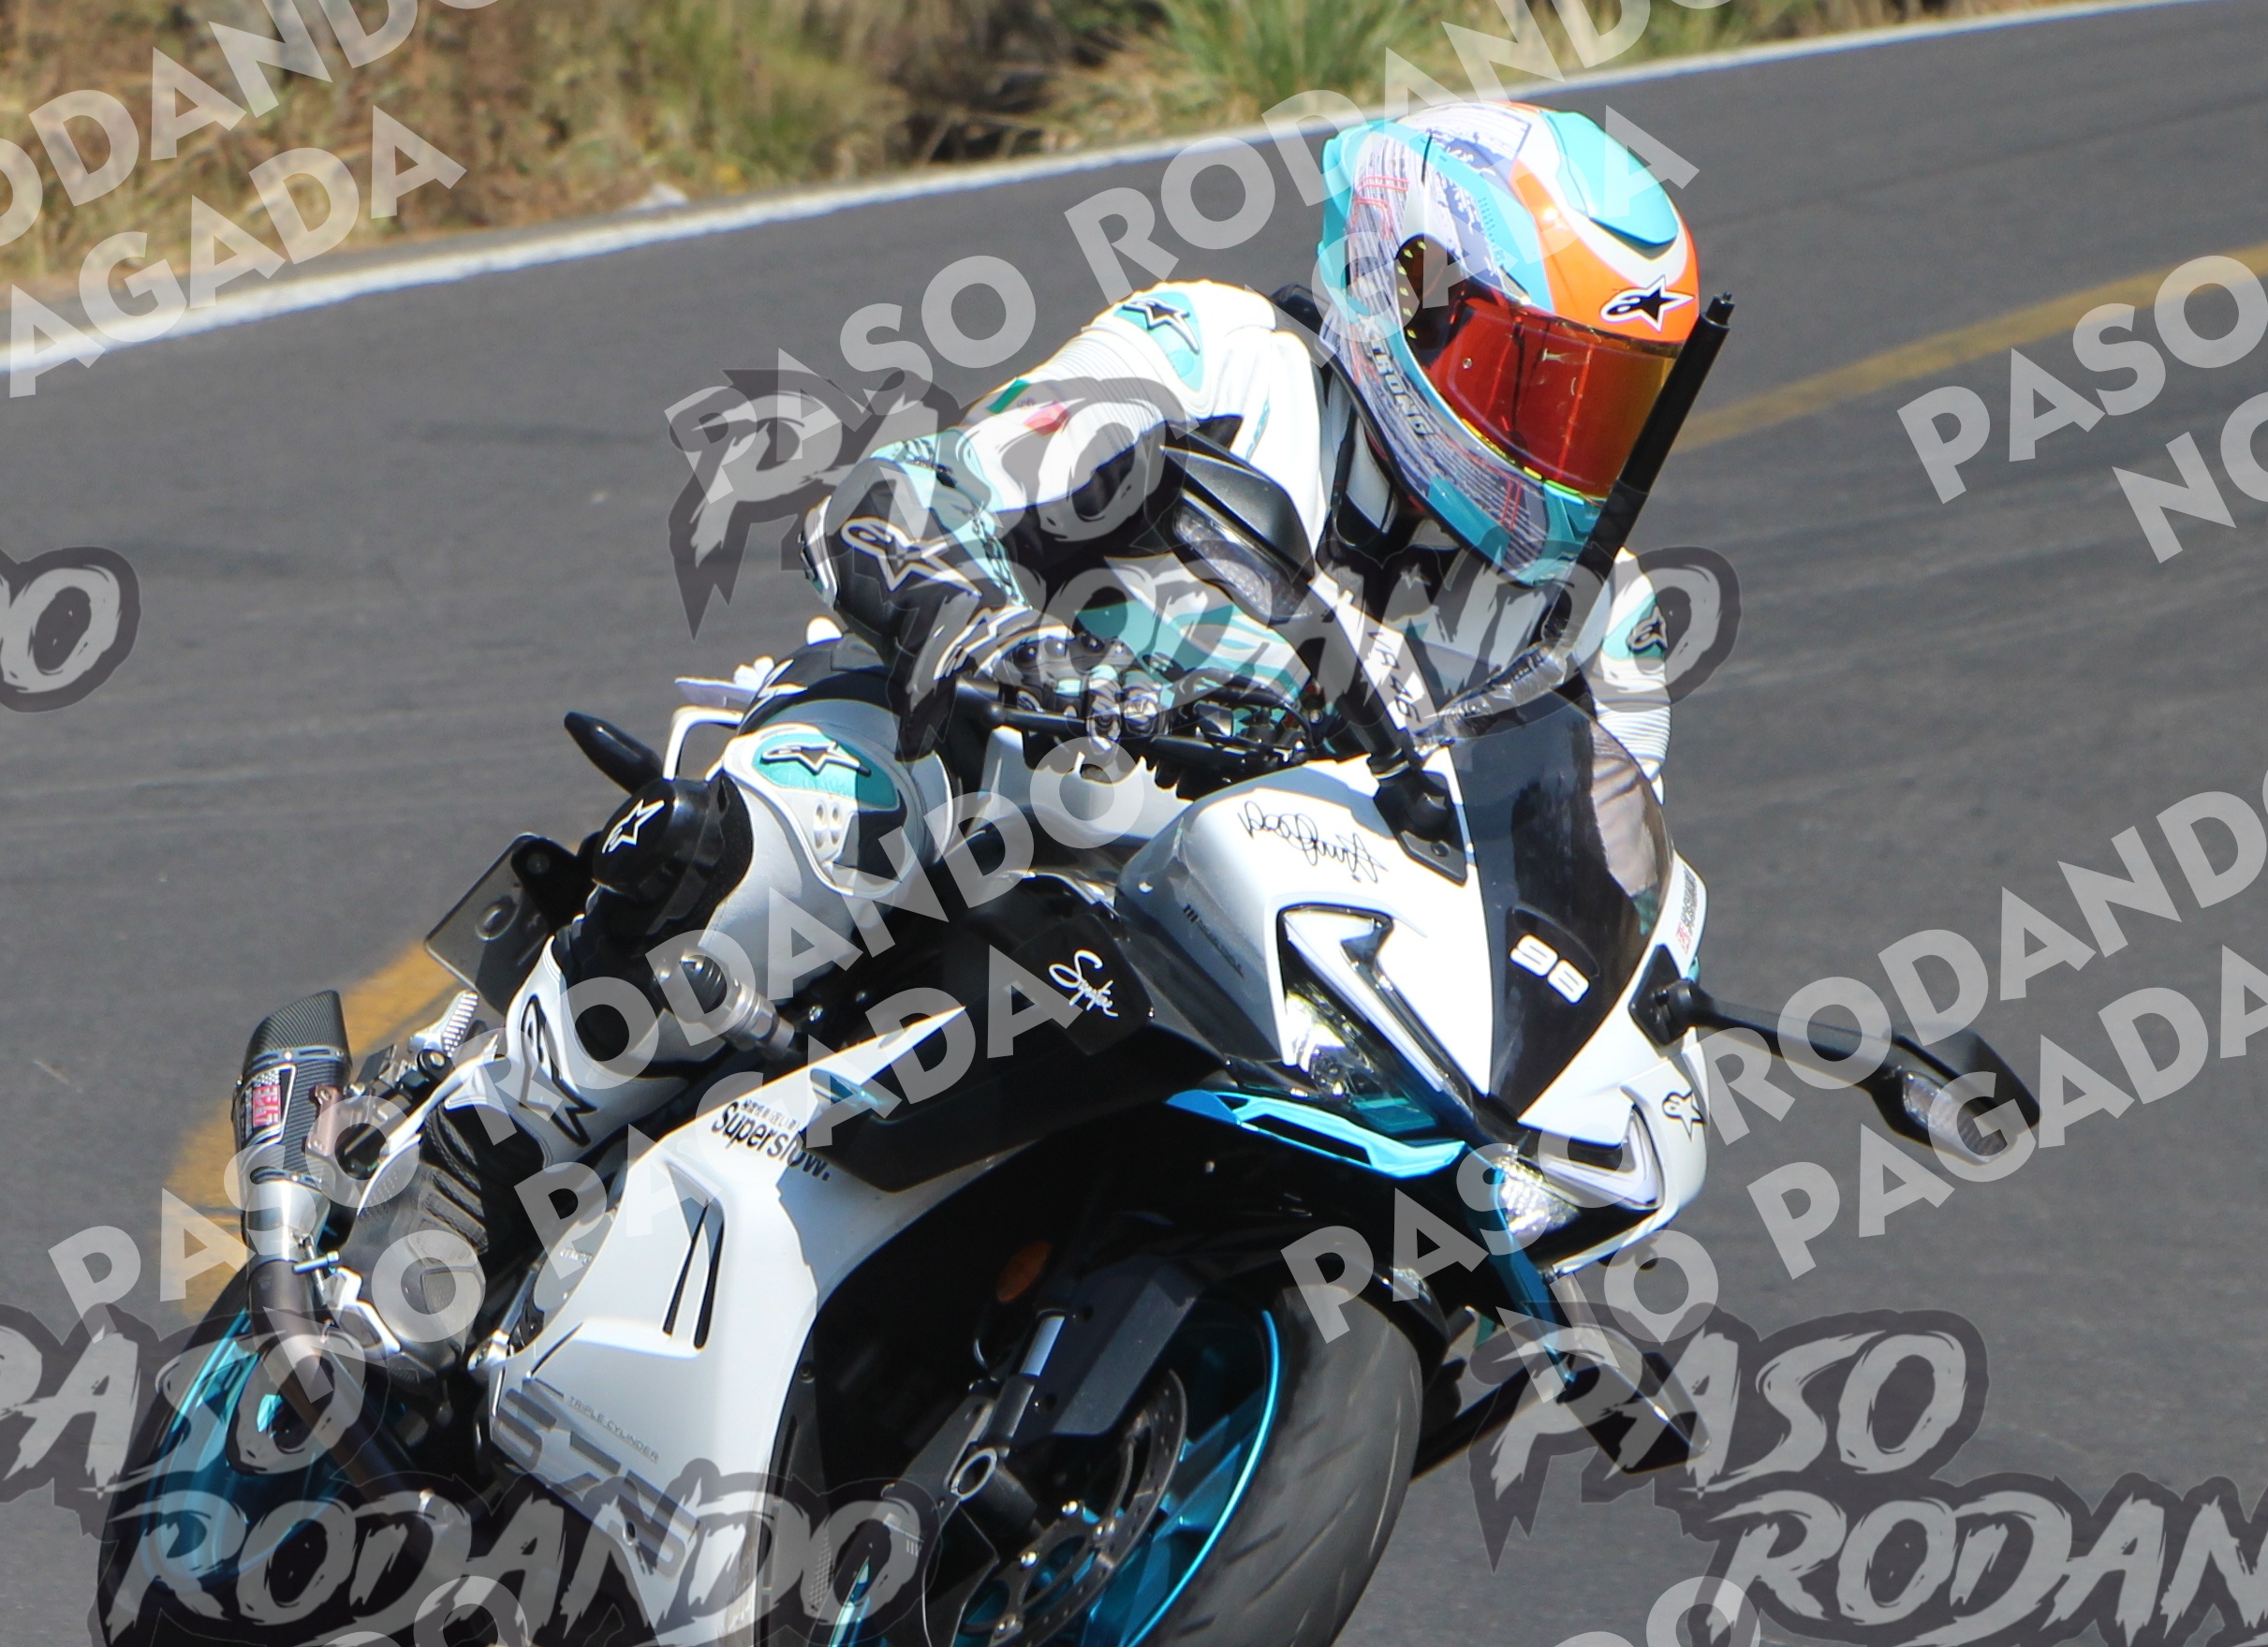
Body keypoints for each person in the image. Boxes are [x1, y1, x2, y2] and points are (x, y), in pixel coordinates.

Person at [340, 98, 1719, 1355]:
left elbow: (1599, 892)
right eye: (1542, 383)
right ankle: (485, 1151)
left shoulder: (1601, 623)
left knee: (1465, 1251)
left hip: (1269, 950)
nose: (1571, 450)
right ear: (1405, 287)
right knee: (799, 837)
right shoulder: (1227, 355)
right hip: (987, 778)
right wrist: (972, 623)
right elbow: (916, 491)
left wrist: (1643, 1049)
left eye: (1612, 407)